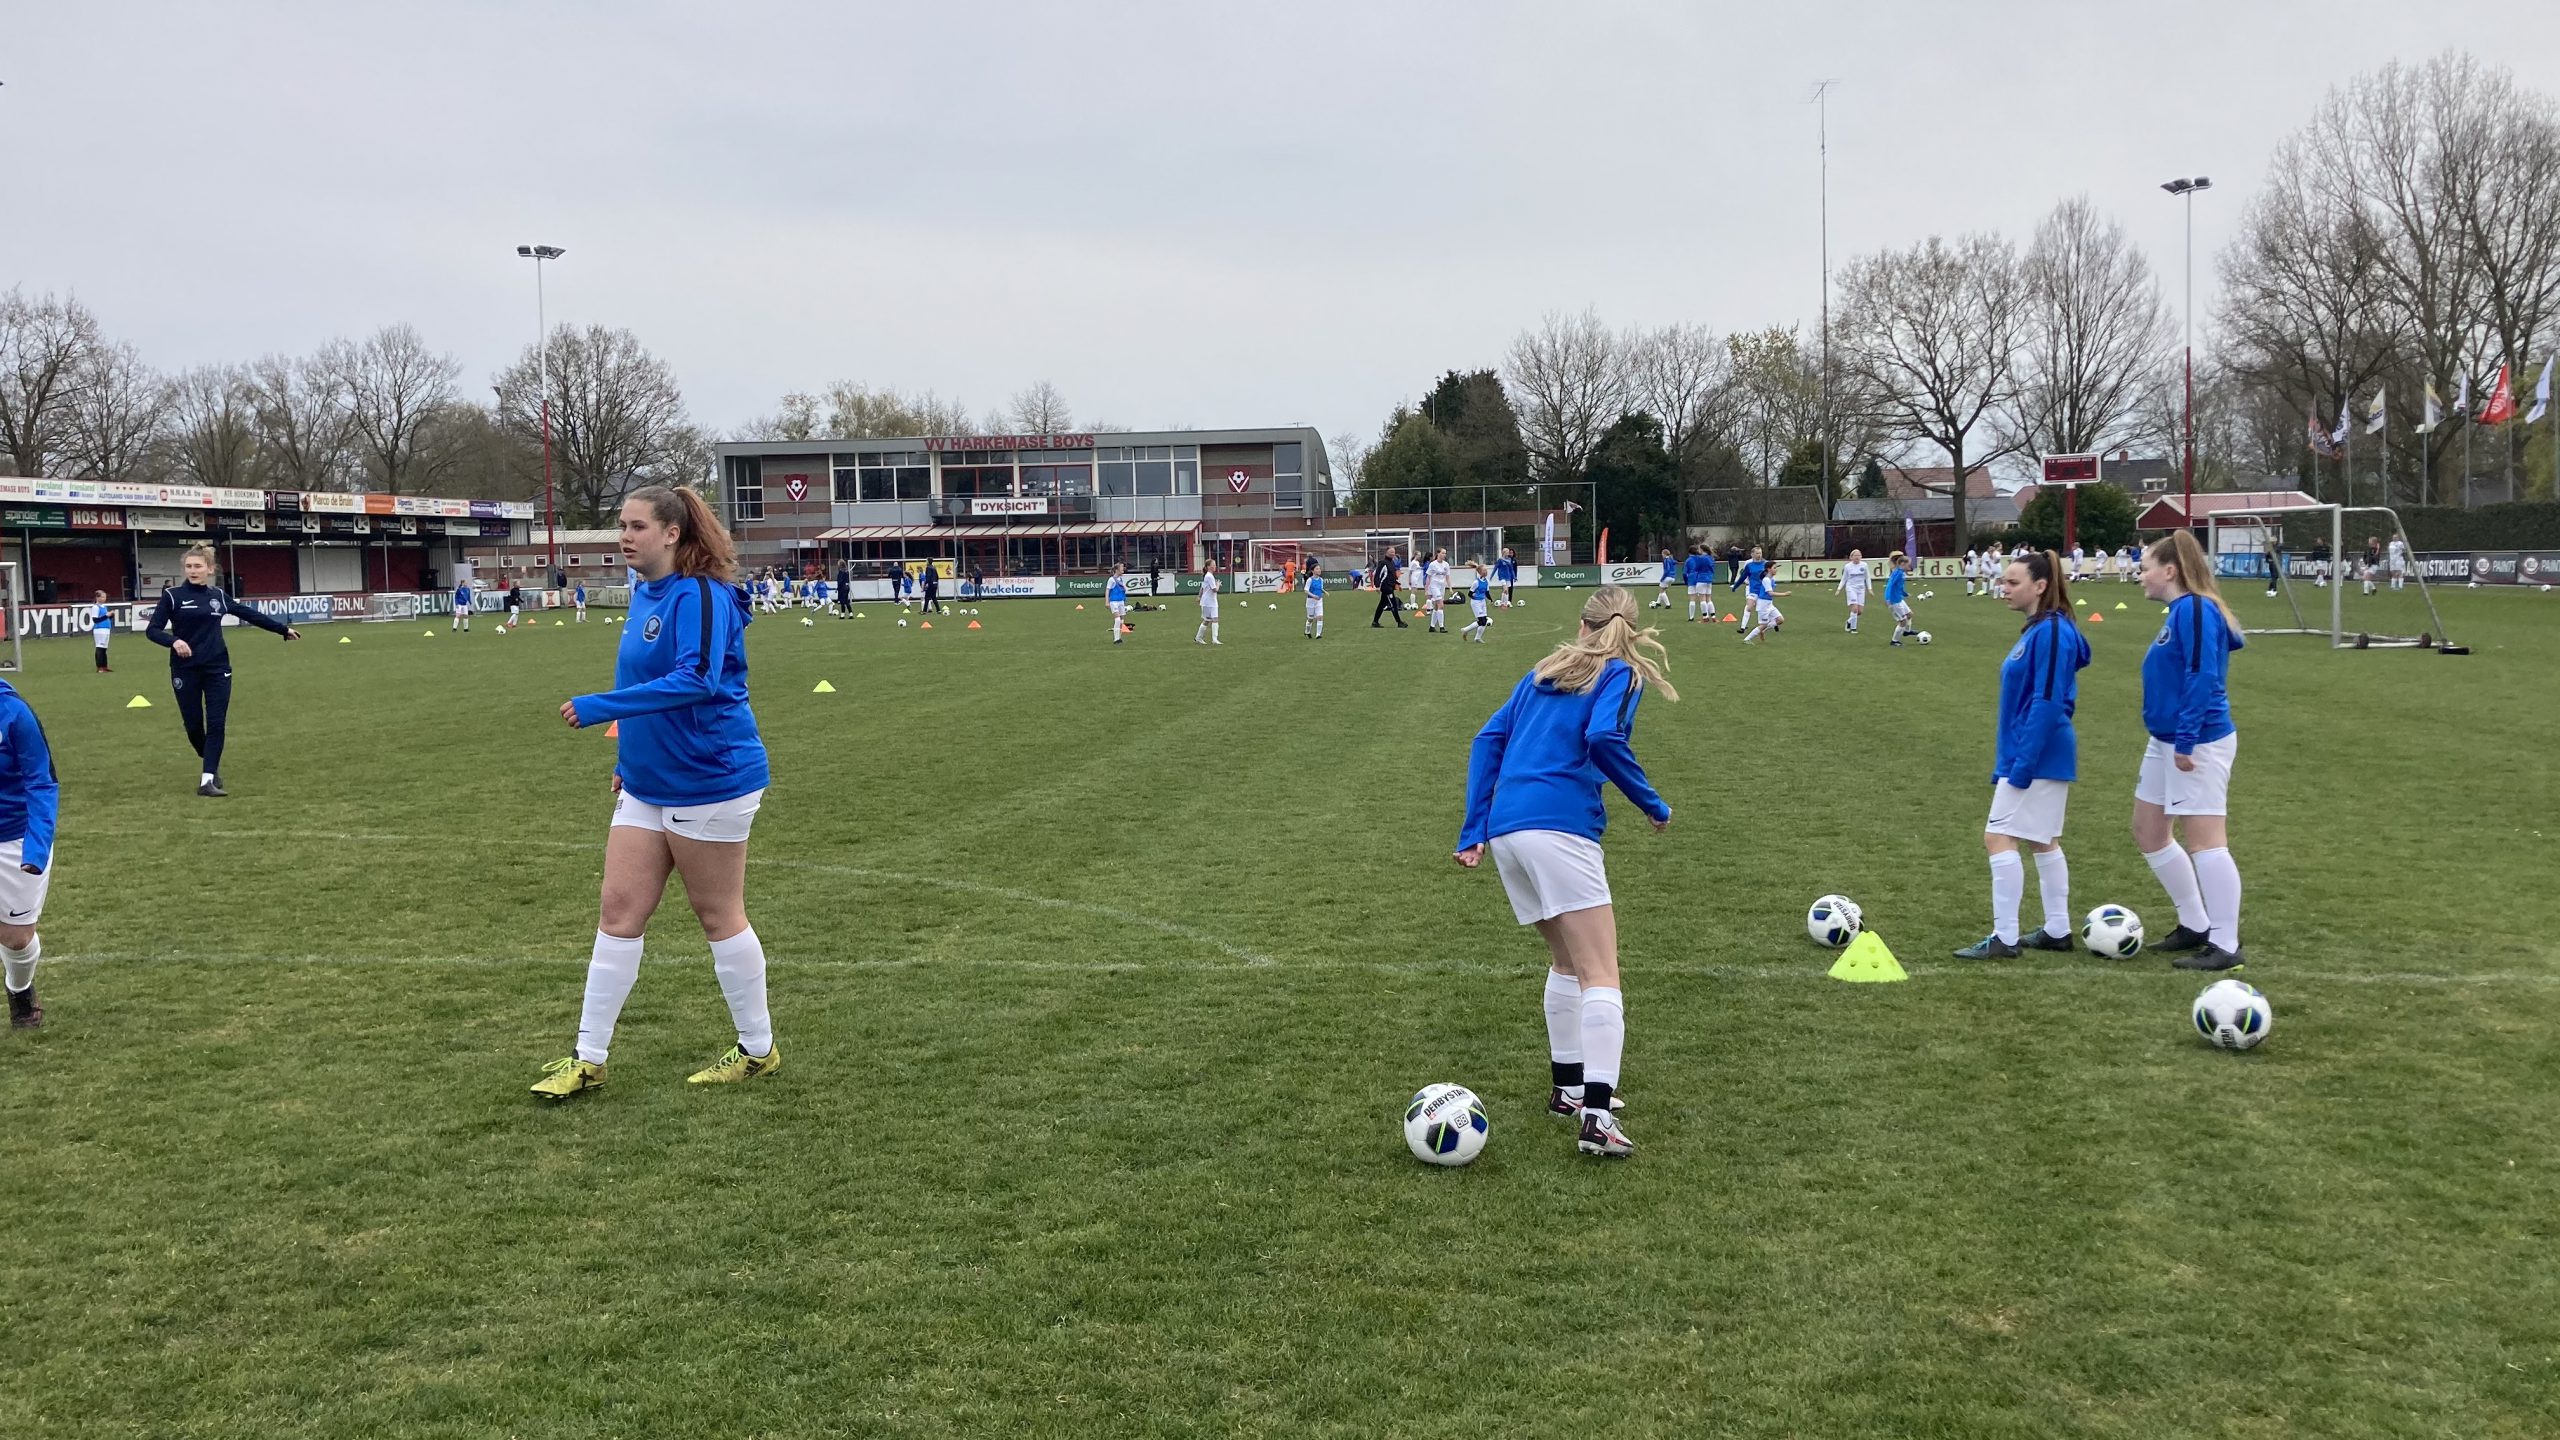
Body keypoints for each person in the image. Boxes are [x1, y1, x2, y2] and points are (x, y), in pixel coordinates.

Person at [537, 485, 777, 1099]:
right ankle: (588, 1058)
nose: (624, 536)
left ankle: (757, 1050)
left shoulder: (701, 593)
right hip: (647, 782)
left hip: (709, 778)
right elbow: (642, 677)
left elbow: (696, 679)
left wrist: (602, 707)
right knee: (618, 912)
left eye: (636, 526)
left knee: (717, 914)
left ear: (672, 533)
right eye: (621, 525)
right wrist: (629, 756)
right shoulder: (646, 592)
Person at [1454, 585, 1674, 1159]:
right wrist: (1652, 804)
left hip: (1509, 830)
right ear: (1631, 630)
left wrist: (1474, 830)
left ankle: (1568, 1089)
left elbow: (1487, 739)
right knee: (1601, 972)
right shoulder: (1621, 674)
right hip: (1559, 828)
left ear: (1582, 624)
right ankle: (1597, 1118)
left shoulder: (1541, 673)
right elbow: (1602, 738)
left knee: (1568, 964)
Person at [1954, 550, 2091, 959]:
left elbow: (2047, 702)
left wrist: (2022, 765)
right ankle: (2057, 930)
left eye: (2013, 582)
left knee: (1997, 837)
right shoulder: (2041, 630)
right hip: (2034, 751)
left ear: (2040, 586)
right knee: (2042, 840)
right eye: (2003, 581)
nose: (2004, 588)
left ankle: (2005, 938)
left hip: (2037, 754)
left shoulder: (2051, 632)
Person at [2134, 531, 2249, 972]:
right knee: (2149, 832)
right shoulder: (2182, 611)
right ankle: (2195, 924)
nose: (2140, 576)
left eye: (2145, 568)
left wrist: (2186, 740)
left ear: (2170, 571)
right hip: (2166, 738)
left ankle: (2226, 943)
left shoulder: (2196, 609)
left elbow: (2203, 676)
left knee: (2206, 841)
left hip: (2197, 740)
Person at [146, 541, 301, 797]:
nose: (193, 570)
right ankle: (210, 761)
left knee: (217, 723)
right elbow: (152, 630)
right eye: (189, 566)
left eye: (198, 566)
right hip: (185, 670)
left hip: (218, 668)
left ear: (210, 569)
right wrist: (174, 641)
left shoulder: (217, 596)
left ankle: (207, 779)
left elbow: (248, 614)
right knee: (194, 727)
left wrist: (282, 629)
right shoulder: (173, 596)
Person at [0, 674, 58, 1030]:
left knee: (16, 938)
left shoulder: (14, 713)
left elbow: (42, 782)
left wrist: (36, 849)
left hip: (14, 838)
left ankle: (19, 988)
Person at [1737, 547, 1781, 644]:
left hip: (1767, 600)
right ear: (1752, 554)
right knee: (1752, 611)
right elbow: (1744, 574)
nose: (1759, 555)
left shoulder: (1767, 572)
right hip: (1759, 597)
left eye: (1760, 553)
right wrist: (1784, 594)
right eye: (1757, 553)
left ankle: (1767, 628)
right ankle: (1745, 635)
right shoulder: (1750, 564)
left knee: (1780, 619)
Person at [1884, 551, 1918, 646]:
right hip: (1893, 601)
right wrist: (1888, 599)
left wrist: (1905, 594)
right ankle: (1894, 641)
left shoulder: (1901, 573)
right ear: (1902, 564)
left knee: (1909, 614)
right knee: (1902, 621)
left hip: (1899, 598)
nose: (1909, 566)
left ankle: (1907, 631)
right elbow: (1890, 586)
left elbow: (1900, 586)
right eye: (1908, 564)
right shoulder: (1897, 573)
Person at [1836, 549, 1871, 633]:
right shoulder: (1848, 566)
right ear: (1851, 557)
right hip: (1851, 588)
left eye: (1859, 555)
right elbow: (1844, 578)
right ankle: (1853, 629)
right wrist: (1839, 589)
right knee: (1855, 608)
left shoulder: (1864, 565)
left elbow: (1867, 577)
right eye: (1855, 555)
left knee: (1860, 611)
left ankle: (1849, 621)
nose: (1857, 557)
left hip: (1861, 588)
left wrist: (1870, 588)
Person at [1371, 548, 1406, 628]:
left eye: (1394, 552)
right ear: (1386, 553)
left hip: (1390, 586)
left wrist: (1397, 584)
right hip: (1386, 587)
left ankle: (1375, 622)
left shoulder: (1392, 563)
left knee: (1382, 604)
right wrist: (1377, 586)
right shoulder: (1383, 563)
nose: (1393, 553)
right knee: (1393, 604)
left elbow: (1392, 576)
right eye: (1391, 552)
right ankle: (1399, 622)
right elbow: (1378, 574)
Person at [1682, 544, 1717, 623]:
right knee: (1709, 599)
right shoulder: (1710, 558)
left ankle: (1702, 617)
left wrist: (1686, 581)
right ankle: (1713, 616)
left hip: (1698, 579)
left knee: (1698, 599)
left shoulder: (1696, 559)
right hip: (1709, 579)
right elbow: (1712, 569)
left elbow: (1694, 569)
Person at [1461, 560, 1493, 642]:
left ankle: (1477, 638)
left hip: (1482, 602)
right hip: (1476, 603)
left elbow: (1487, 592)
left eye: (1486, 570)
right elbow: (1470, 594)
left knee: (1484, 621)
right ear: (1480, 572)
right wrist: (1475, 597)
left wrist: (1490, 599)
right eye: (1484, 570)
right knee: (1482, 621)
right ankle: (1465, 630)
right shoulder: (1476, 582)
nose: (1486, 572)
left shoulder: (1486, 581)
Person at [1195, 557, 1224, 646]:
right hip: (1209, 602)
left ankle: (1201, 638)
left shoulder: (1208, 576)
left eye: (1215, 565)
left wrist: (1199, 596)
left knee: (1209, 620)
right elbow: (1215, 590)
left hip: (1208, 601)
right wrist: (1218, 585)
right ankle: (1211, 639)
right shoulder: (1209, 576)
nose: (1215, 566)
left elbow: (1202, 587)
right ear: (1208, 567)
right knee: (1212, 619)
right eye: (1213, 565)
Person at [1426, 548, 1452, 633]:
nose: (1444, 555)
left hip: (1442, 586)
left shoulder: (1446, 564)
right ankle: (1441, 627)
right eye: (1443, 553)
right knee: (1441, 605)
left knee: (1437, 606)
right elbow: (1428, 577)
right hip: (1434, 586)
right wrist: (1426, 589)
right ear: (1438, 554)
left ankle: (1432, 626)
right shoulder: (1432, 564)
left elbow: (1447, 577)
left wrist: (1450, 587)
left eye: (1445, 553)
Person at [90, 590, 115, 673]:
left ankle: (104, 666)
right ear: (97, 598)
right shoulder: (95, 607)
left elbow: (106, 618)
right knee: (100, 647)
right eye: (102, 597)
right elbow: (95, 620)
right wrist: (106, 615)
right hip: (99, 629)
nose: (104, 598)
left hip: (106, 629)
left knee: (104, 648)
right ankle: (100, 667)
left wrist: (111, 616)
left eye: (105, 597)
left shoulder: (104, 606)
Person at [1107, 564, 1131, 643]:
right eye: (1121, 567)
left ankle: (1119, 638)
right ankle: (1116, 639)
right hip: (1114, 601)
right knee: (1117, 619)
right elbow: (1107, 590)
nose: (1123, 569)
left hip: (1121, 601)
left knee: (1121, 621)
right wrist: (1107, 602)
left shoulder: (1120, 579)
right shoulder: (1111, 579)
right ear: (1117, 570)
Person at [1303, 560, 1327, 639]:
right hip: (1310, 601)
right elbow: (1306, 590)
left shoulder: (1321, 580)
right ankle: (1307, 631)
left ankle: (1318, 635)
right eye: (1317, 569)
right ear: (1313, 571)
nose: (1319, 570)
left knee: (1320, 617)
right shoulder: (1310, 580)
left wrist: (1324, 592)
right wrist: (1313, 596)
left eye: (1319, 568)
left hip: (1319, 601)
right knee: (1310, 619)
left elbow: (1320, 588)